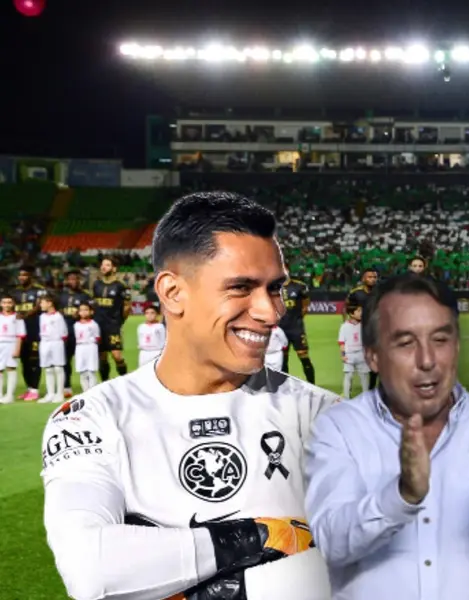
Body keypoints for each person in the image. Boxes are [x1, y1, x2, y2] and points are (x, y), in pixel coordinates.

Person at [41, 191, 339, 600]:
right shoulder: (92, 418)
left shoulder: (323, 415)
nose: (270, 312)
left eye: (275, 289)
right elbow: (89, 566)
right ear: (172, 292)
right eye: (241, 287)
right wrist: (264, 535)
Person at [305, 273, 469, 599]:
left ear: (457, 346)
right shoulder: (340, 428)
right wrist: (402, 495)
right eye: (406, 343)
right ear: (373, 356)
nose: (427, 360)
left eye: (440, 339)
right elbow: (331, 544)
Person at [92, 256, 132, 382]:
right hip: (98, 326)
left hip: (113, 325)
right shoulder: (96, 284)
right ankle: (105, 384)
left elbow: (127, 306)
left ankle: (125, 383)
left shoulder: (121, 286)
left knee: (117, 356)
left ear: (114, 268)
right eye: (103, 265)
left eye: (107, 265)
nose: (103, 267)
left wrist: (120, 321)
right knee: (102, 357)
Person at [14, 265, 46, 401]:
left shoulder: (39, 290)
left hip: (35, 330)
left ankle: (35, 389)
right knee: (24, 361)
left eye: (25, 275)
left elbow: (39, 306)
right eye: (20, 275)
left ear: (30, 276)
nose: (22, 277)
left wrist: (26, 315)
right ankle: (29, 389)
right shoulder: (15, 292)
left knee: (35, 360)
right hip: (20, 332)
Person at [59, 269, 92, 398]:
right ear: (67, 281)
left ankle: (88, 386)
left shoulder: (85, 295)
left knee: (84, 361)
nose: (73, 281)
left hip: (81, 335)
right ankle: (67, 386)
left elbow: (91, 313)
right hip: (65, 334)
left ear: (79, 280)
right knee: (65, 361)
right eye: (70, 279)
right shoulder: (61, 295)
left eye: (75, 279)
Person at [346, 268, 379, 390]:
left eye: (374, 277)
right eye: (369, 277)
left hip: (377, 327)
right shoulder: (356, 292)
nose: (372, 279)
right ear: (363, 278)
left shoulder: (380, 291)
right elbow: (347, 307)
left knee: (375, 356)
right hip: (360, 328)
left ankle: (372, 385)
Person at [279, 276, 316, 383]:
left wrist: (297, 320)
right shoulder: (273, 286)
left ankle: (312, 386)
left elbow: (305, 305)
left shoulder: (299, 286)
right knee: (282, 359)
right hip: (280, 330)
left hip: (296, 328)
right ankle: (284, 387)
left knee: (304, 357)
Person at [37, 295, 69, 404]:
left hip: (56, 342)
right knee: (48, 369)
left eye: (42, 302)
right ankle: (50, 393)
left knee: (58, 368)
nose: (40, 305)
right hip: (44, 343)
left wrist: (57, 342)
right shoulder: (42, 316)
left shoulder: (58, 316)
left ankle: (59, 393)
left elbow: (64, 333)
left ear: (50, 303)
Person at [339, 305, 370, 398]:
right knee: (348, 376)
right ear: (352, 314)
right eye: (358, 311)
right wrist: (343, 355)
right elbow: (341, 343)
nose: (361, 313)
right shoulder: (344, 327)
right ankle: (346, 398)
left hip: (361, 354)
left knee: (364, 377)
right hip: (349, 355)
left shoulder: (364, 326)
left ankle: (366, 398)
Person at [0, 293, 25, 403]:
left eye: (9, 302)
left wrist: (17, 349)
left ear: (13, 304)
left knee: (11, 368)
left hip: (11, 344)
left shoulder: (17, 317)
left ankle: (10, 395)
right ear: (1, 304)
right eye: (4, 302)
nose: (7, 305)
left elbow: (20, 334)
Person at [73, 302, 102, 392]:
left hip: (90, 347)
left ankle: (93, 391)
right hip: (80, 348)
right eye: (81, 310)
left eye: (86, 310)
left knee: (91, 371)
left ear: (91, 312)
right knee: (82, 372)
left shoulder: (93, 324)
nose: (83, 312)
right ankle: (85, 391)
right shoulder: (76, 325)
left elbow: (97, 337)